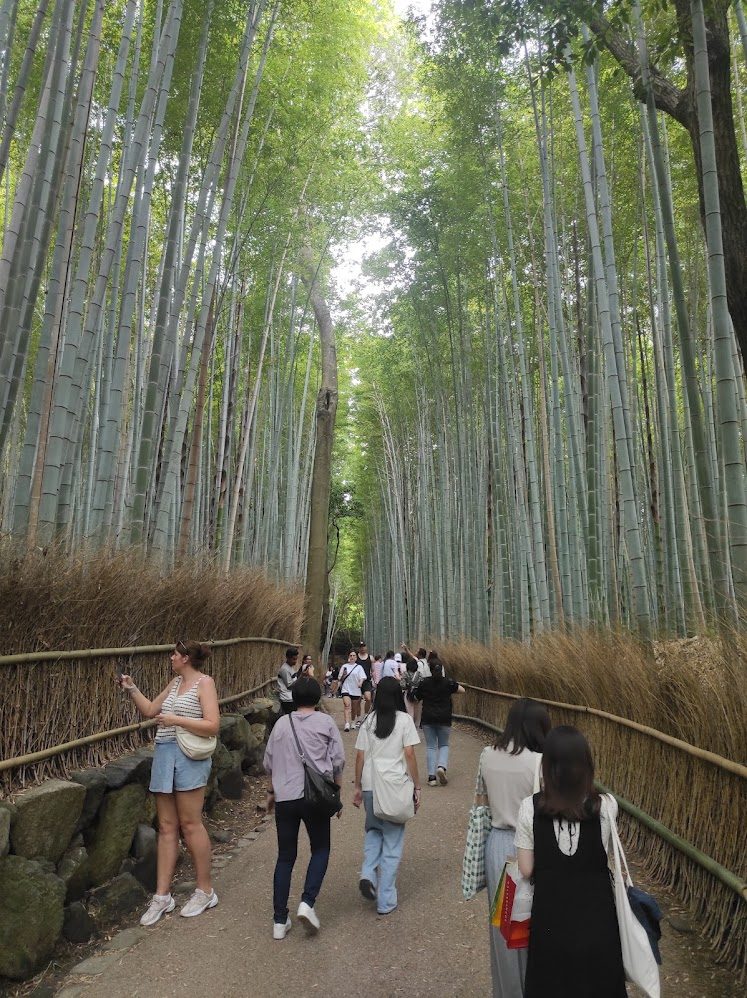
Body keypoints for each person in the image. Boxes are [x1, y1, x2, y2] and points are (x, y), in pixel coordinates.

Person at [515, 726, 627, 998]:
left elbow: (526, 869)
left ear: (547, 767)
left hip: (550, 922)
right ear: (586, 765)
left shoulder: (530, 808)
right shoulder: (607, 806)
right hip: (598, 921)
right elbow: (603, 851)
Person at [118, 641, 220, 925]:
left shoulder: (204, 683)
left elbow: (212, 725)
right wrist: (131, 688)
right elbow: (151, 710)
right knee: (166, 826)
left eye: (175, 654)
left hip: (189, 756)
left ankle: (205, 891)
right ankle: (162, 896)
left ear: (185, 658)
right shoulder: (175, 683)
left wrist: (176, 719)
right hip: (164, 752)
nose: (171, 657)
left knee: (190, 824)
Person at [474, 699, 551, 998]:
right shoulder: (539, 762)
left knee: (504, 929)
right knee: (535, 928)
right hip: (531, 848)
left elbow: (480, 803)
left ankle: (506, 992)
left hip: (497, 846)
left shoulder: (487, 755)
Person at [263, 677, 345, 939]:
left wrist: (271, 793)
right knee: (320, 848)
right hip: (316, 798)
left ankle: (279, 921)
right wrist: (337, 794)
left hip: (286, 797)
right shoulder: (326, 723)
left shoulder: (281, 724)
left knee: (285, 856)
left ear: (294, 698)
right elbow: (337, 762)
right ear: (317, 698)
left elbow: (269, 762)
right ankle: (307, 902)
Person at [353, 677, 421, 915]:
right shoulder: (405, 720)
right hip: (394, 788)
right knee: (392, 842)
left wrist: (357, 787)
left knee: (374, 831)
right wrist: (417, 786)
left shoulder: (368, 721)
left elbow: (360, 756)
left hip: (370, 786)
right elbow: (409, 754)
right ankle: (385, 900)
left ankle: (368, 874)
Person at [413, 659, 464, 786]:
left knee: (431, 746)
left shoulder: (424, 682)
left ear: (430, 669)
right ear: (442, 669)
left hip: (428, 718)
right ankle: (441, 766)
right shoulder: (448, 682)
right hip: (444, 718)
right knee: (443, 745)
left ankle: (431, 778)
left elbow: (416, 697)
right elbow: (462, 690)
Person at [339, 651, 366, 731]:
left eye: (354, 656)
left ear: (356, 658)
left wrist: (360, 683)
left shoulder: (359, 667)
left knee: (354, 708)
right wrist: (343, 675)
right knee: (347, 705)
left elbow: (362, 677)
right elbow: (339, 678)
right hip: (346, 688)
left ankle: (353, 721)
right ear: (348, 657)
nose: (352, 657)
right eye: (350, 655)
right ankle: (347, 724)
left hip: (355, 689)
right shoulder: (344, 666)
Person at [277, 647, 301, 715]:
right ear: (287, 658)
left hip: (291, 698)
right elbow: (290, 686)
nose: (295, 661)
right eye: (294, 659)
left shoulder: (290, 667)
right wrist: (301, 677)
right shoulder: (284, 669)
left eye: (296, 659)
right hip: (287, 699)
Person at [356, 641, 375, 718]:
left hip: (367, 680)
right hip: (357, 681)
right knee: (358, 700)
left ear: (366, 647)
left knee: (368, 698)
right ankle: (358, 718)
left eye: (364, 647)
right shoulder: (355, 657)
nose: (363, 648)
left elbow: (373, 670)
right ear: (359, 648)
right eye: (361, 647)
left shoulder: (370, 657)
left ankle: (366, 715)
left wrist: (374, 680)